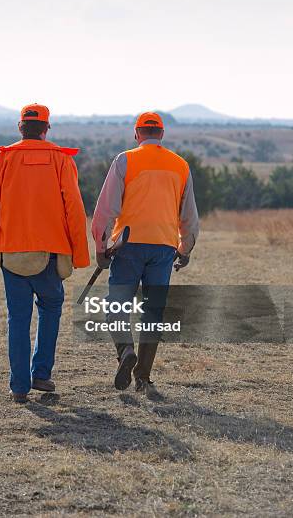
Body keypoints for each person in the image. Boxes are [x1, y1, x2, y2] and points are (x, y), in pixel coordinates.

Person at [0, 103, 90, 403]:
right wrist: (80, 254)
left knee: (18, 319)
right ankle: (42, 373)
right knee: (51, 308)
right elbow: (74, 209)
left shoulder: (3, 160)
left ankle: (19, 387)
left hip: (12, 253)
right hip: (49, 254)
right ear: (47, 128)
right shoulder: (62, 161)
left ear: (20, 127)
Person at [92, 111, 199, 396]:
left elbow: (106, 210)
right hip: (164, 247)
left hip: (127, 245)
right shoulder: (180, 165)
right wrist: (184, 248)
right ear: (161, 135)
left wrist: (101, 248)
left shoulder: (125, 160)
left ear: (137, 134)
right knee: (153, 312)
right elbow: (189, 215)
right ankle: (143, 377)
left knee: (117, 304)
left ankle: (125, 349)